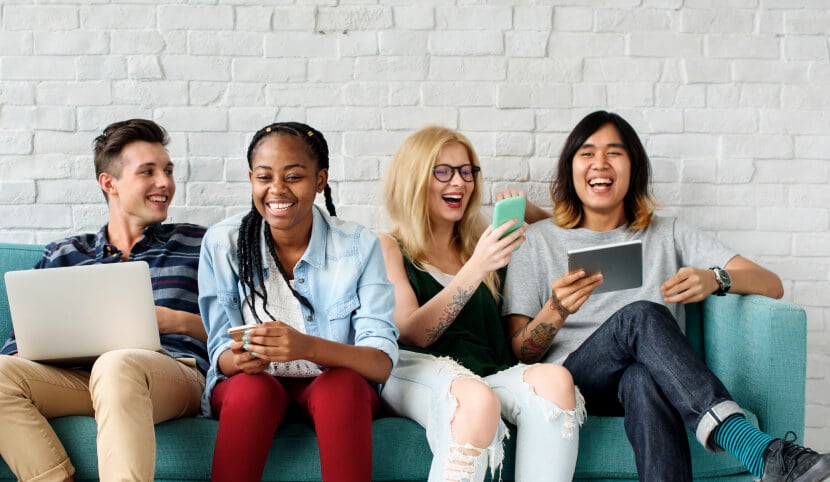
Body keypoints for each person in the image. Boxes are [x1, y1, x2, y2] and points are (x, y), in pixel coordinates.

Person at [501, 110, 830, 482]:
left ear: (634, 167)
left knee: (642, 379)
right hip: (573, 383)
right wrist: (556, 310)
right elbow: (521, 352)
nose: (600, 164)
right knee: (640, 315)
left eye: (614, 152)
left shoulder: (668, 234)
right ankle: (754, 447)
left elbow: (771, 284)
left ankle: (761, 454)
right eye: (587, 153)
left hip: (646, 381)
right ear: (570, 168)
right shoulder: (538, 241)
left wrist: (715, 278)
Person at [0, 119, 208, 482]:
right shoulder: (65, 254)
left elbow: (238, 329)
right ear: (108, 183)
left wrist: (171, 321)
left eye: (168, 170)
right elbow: (18, 345)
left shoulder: (199, 245)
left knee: (117, 364)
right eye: (149, 171)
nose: (165, 183)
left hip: (173, 373)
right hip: (81, 378)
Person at [379, 125, 585, 482]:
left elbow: (572, 236)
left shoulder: (484, 241)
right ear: (413, 178)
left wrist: (533, 215)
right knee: (474, 399)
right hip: (414, 369)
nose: (458, 182)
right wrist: (477, 267)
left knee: (556, 380)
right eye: (442, 171)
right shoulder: (388, 245)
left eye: (466, 171)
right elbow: (412, 333)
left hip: (486, 370)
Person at [198, 122, 399, 482]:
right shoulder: (222, 243)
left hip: (332, 385)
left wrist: (304, 346)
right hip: (254, 384)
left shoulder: (358, 245)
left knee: (344, 387)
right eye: (264, 177)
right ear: (251, 179)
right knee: (249, 391)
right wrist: (239, 359)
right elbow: (219, 354)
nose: (277, 189)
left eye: (293, 176)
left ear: (320, 180)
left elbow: (380, 363)